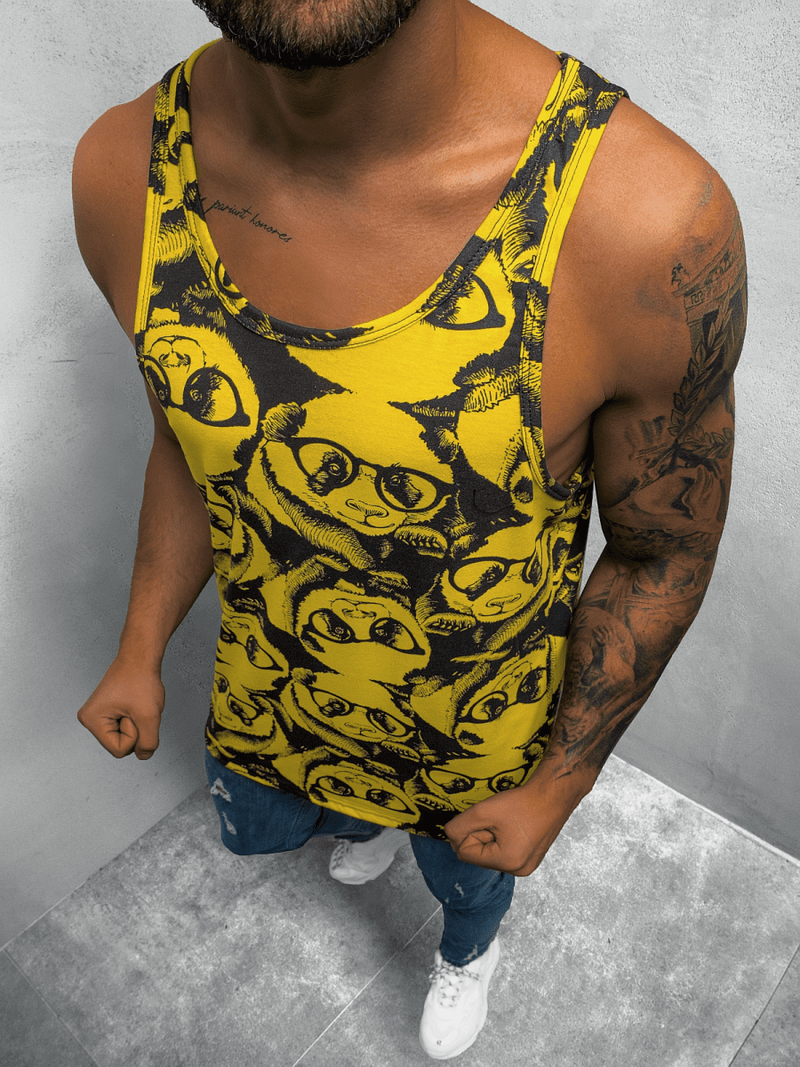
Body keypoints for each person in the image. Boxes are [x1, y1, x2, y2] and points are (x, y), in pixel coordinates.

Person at [73, 0, 747, 1059]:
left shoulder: (642, 223)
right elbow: (194, 438)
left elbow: (663, 548)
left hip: (481, 729)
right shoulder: (125, 173)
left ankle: (468, 951)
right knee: (309, 817)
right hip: (285, 682)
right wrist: (139, 644)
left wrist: (558, 785)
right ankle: (370, 815)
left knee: (468, 877)